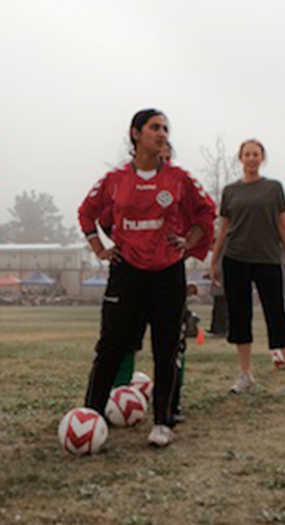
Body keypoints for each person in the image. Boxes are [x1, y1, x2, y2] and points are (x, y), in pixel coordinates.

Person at [78, 110, 215, 448]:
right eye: (155, 127)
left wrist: (189, 241)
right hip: (126, 273)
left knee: (166, 348)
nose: (162, 133)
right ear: (136, 133)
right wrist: (100, 248)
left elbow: (206, 211)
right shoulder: (115, 179)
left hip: (167, 274)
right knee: (110, 347)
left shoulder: (179, 178)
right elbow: (86, 212)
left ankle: (163, 422)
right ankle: (90, 417)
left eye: (166, 128)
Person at [210, 139, 285, 397]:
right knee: (240, 318)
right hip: (235, 260)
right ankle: (245, 375)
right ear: (240, 158)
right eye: (247, 154)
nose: (251, 158)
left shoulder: (273, 188)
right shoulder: (230, 191)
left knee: (277, 317)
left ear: (262, 158)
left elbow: (283, 225)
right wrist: (214, 260)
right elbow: (224, 228)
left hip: (268, 260)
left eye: (256, 154)